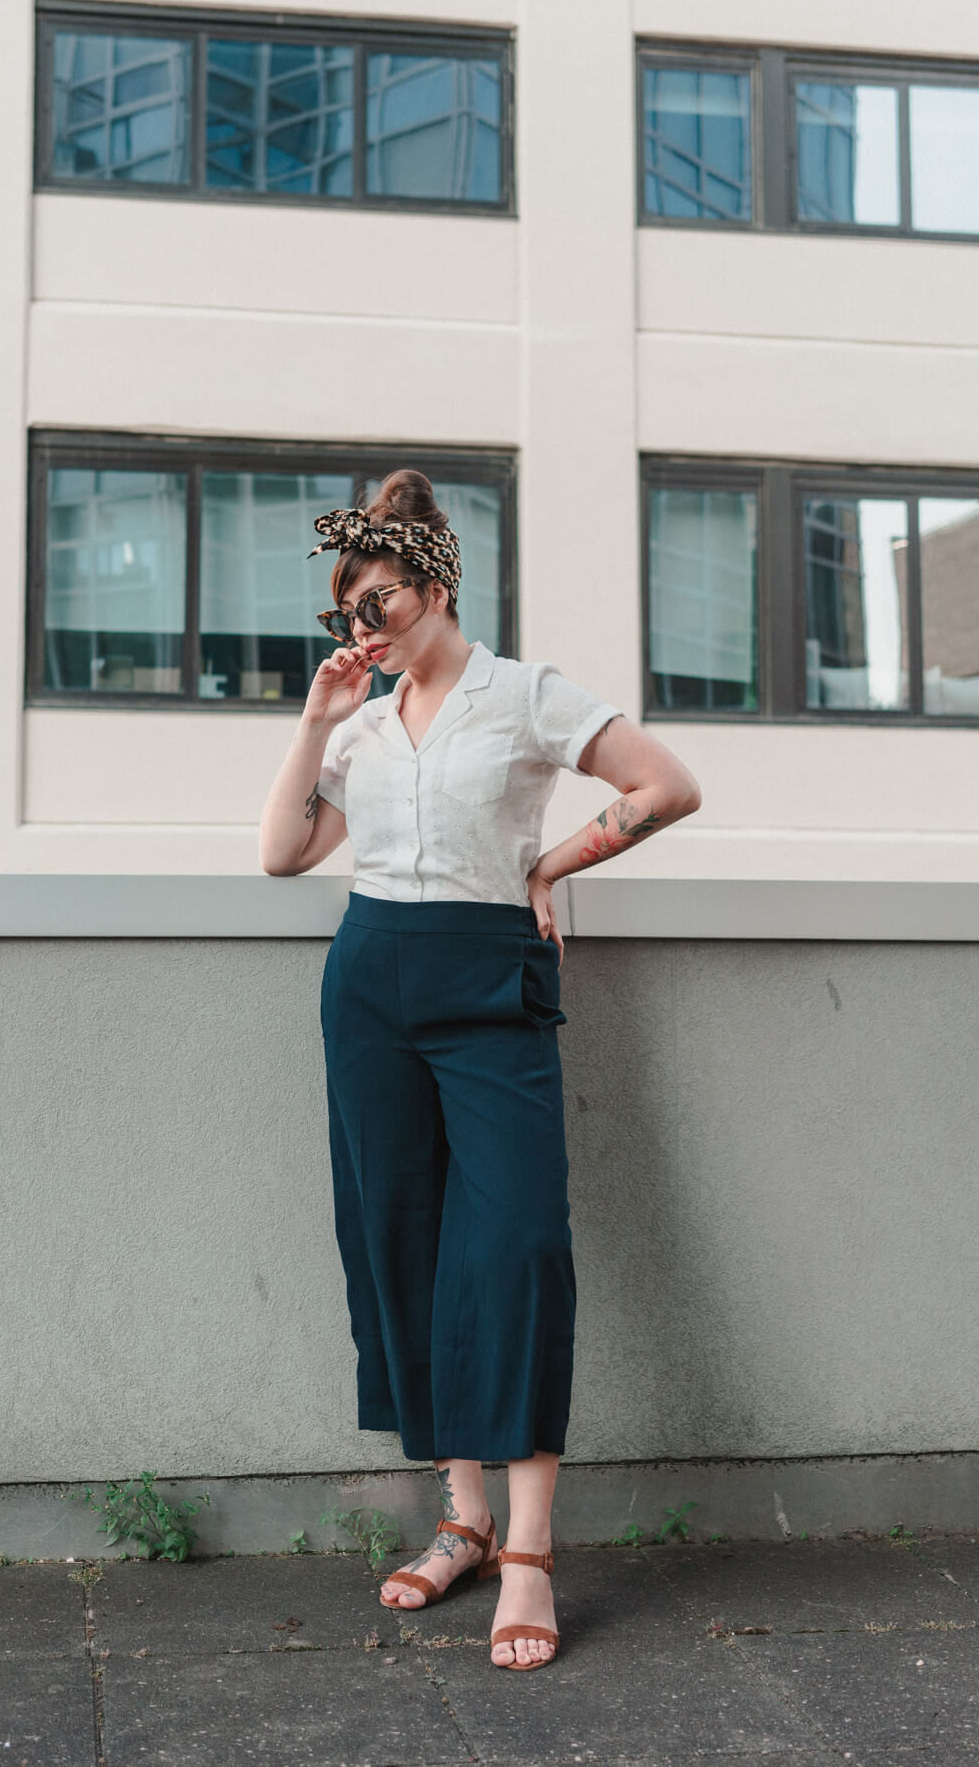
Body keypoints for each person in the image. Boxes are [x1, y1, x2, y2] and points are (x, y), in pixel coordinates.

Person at [259, 470, 701, 1671]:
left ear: (438, 587)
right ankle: (459, 1515)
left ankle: (529, 1552)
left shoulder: (522, 694)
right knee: (398, 1234)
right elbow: (280, 855)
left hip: (487, 975)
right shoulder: (356, 721)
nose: (369, 629)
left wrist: (548, 864)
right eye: (349, 614)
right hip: (367, 981)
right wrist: (313, 718)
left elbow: (665, 785)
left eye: (384, 602)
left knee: (515, 1243)